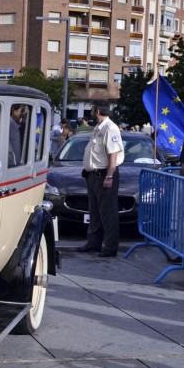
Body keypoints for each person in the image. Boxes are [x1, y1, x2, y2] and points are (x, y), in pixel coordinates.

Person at [77, 106, 125, 257]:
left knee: (108, 212)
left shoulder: (110, 128)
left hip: (104, 174)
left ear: (97, 111)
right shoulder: (99, 127)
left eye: (92, 110)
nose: (90, 113)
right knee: (94, 212)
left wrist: (109, 176)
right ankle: (93, 243)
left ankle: (110, 247)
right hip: (93, 175)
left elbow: (113, 154)